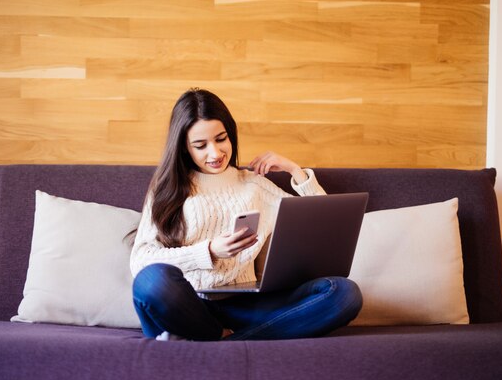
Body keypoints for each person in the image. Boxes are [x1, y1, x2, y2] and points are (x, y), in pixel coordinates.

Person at [130, 88, 362, 341]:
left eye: (221, 139)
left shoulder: (253, 184)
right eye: (200, 145)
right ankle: (225, 337)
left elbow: (326, 224)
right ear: (184, 148)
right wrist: (209, 251)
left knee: (343, 292)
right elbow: (141, 261)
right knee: (150, 282)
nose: (215, 153)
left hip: (246, 305)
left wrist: (295, 171)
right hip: (189, 306)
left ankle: (227, 342)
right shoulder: (167, 189)